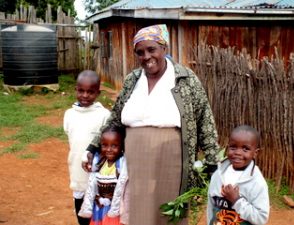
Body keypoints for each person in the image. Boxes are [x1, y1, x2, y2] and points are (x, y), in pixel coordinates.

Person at [83, 24, 220, 225]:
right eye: (140, 52)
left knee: (169, 210)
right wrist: (93, 147)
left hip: (173, 161)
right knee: (137, 210)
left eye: (151, 49)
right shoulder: (133, 80)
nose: (146, 56)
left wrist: (213, 160)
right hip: (135, 161)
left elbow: (204, 120)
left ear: (164, 48)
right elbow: (115, 118)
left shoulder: (185, 78)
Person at [64, 70, 110, 225]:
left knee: (99, 205)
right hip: (77, 169)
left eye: (90, 92)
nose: (85, 95)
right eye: (81, 91)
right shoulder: (69, 114)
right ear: (76, 89)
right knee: (80, 199)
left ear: (98, 93)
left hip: (99, 172)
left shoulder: (104, 115)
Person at [207, 125, 270, 225]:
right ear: (227, 147)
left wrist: (236, 200)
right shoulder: (217, 176)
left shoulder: (257, 183)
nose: (238, 153)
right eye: (233, 147)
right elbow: (211, 207)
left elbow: (260, 218)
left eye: (245, 149)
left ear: (255, 153)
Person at [78, 125, 127, 225]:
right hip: (99, 208)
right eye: (105, 145)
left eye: (114, 145)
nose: (109, 149)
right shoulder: (99, 163)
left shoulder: (122, 165)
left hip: (115, 209)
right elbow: (92, 185)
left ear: (121, 146)